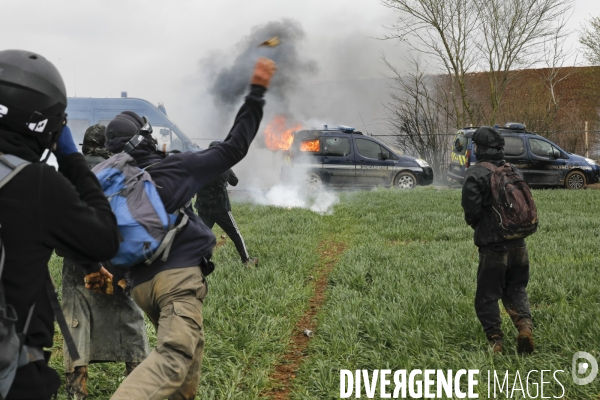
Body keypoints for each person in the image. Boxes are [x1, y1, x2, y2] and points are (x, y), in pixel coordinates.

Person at [108, 57, 277, 400]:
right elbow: (234, 147)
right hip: (177, 282)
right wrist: (256, 92)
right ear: (144, 139)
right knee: (173, 360)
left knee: (188, 365)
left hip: (142, 288)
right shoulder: (174, 169)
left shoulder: (109, 187)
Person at [0, 50, 119, 399]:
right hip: (14, 378)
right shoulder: (34, 183)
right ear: (43, 124)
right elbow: (104, 237)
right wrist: (70, 158)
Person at [61, 124, 149, 400]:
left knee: (76, 321)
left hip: (78, 263)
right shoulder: (123, 170)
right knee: (130, 318)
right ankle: (136, 383)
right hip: (117, 259)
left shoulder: (68, 172)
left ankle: (78, 389)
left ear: (85, 145)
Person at [461, 126, 534, 354]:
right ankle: (525, 329)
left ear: (478, 148)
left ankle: (496, 342)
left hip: (494, 247)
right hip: (519, 244)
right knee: (516, 289)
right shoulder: (513, 171)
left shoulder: (475, 174)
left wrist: (480, 227)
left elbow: (471, 213)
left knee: (487, 296)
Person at [195, 141, 258, 266]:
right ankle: (246, 261)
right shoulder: (224, 166)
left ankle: (191, 264)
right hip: (221, 209)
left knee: (199, 237)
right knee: (235, 234)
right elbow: (234, 182)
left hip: (203, 208)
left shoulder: (200, 166)